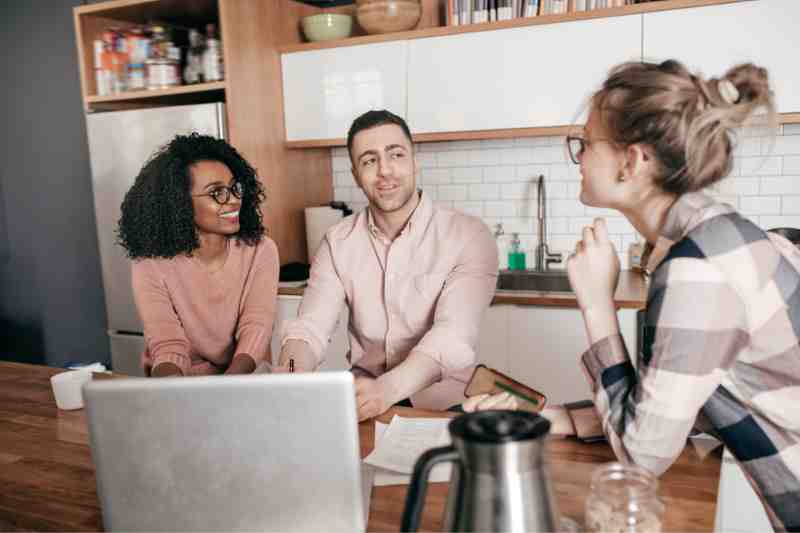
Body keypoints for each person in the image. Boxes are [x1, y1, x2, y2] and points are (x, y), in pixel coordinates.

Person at [473, 59, 799, 530]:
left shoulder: (698, 268)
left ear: (633, 161)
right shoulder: (711, 235)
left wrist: (596, 303)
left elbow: (642, 454)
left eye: (584, 144)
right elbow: (672, 405)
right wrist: (558, 418)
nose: (578, 158)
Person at [278, 110, 498, 420]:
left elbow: (453, 336)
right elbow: (309, 329)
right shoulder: (337, 242)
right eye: (369, 160)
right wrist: (290, 374)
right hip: (364, 405)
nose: (385, 170)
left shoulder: (468, 235)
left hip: (447, 403)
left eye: (395, 154)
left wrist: (386, 391)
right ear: (356, 174)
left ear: (414, 161)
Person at [118, 133, 279, 377]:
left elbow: (256, 328)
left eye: (234, 188)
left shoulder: (260, 250)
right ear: (179, 202)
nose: (234, 200)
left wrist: (229, 385)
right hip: (181, 380)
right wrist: (176, 392)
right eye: (217, 192)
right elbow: (167, 344)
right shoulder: (149, 264)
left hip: (244, 375)